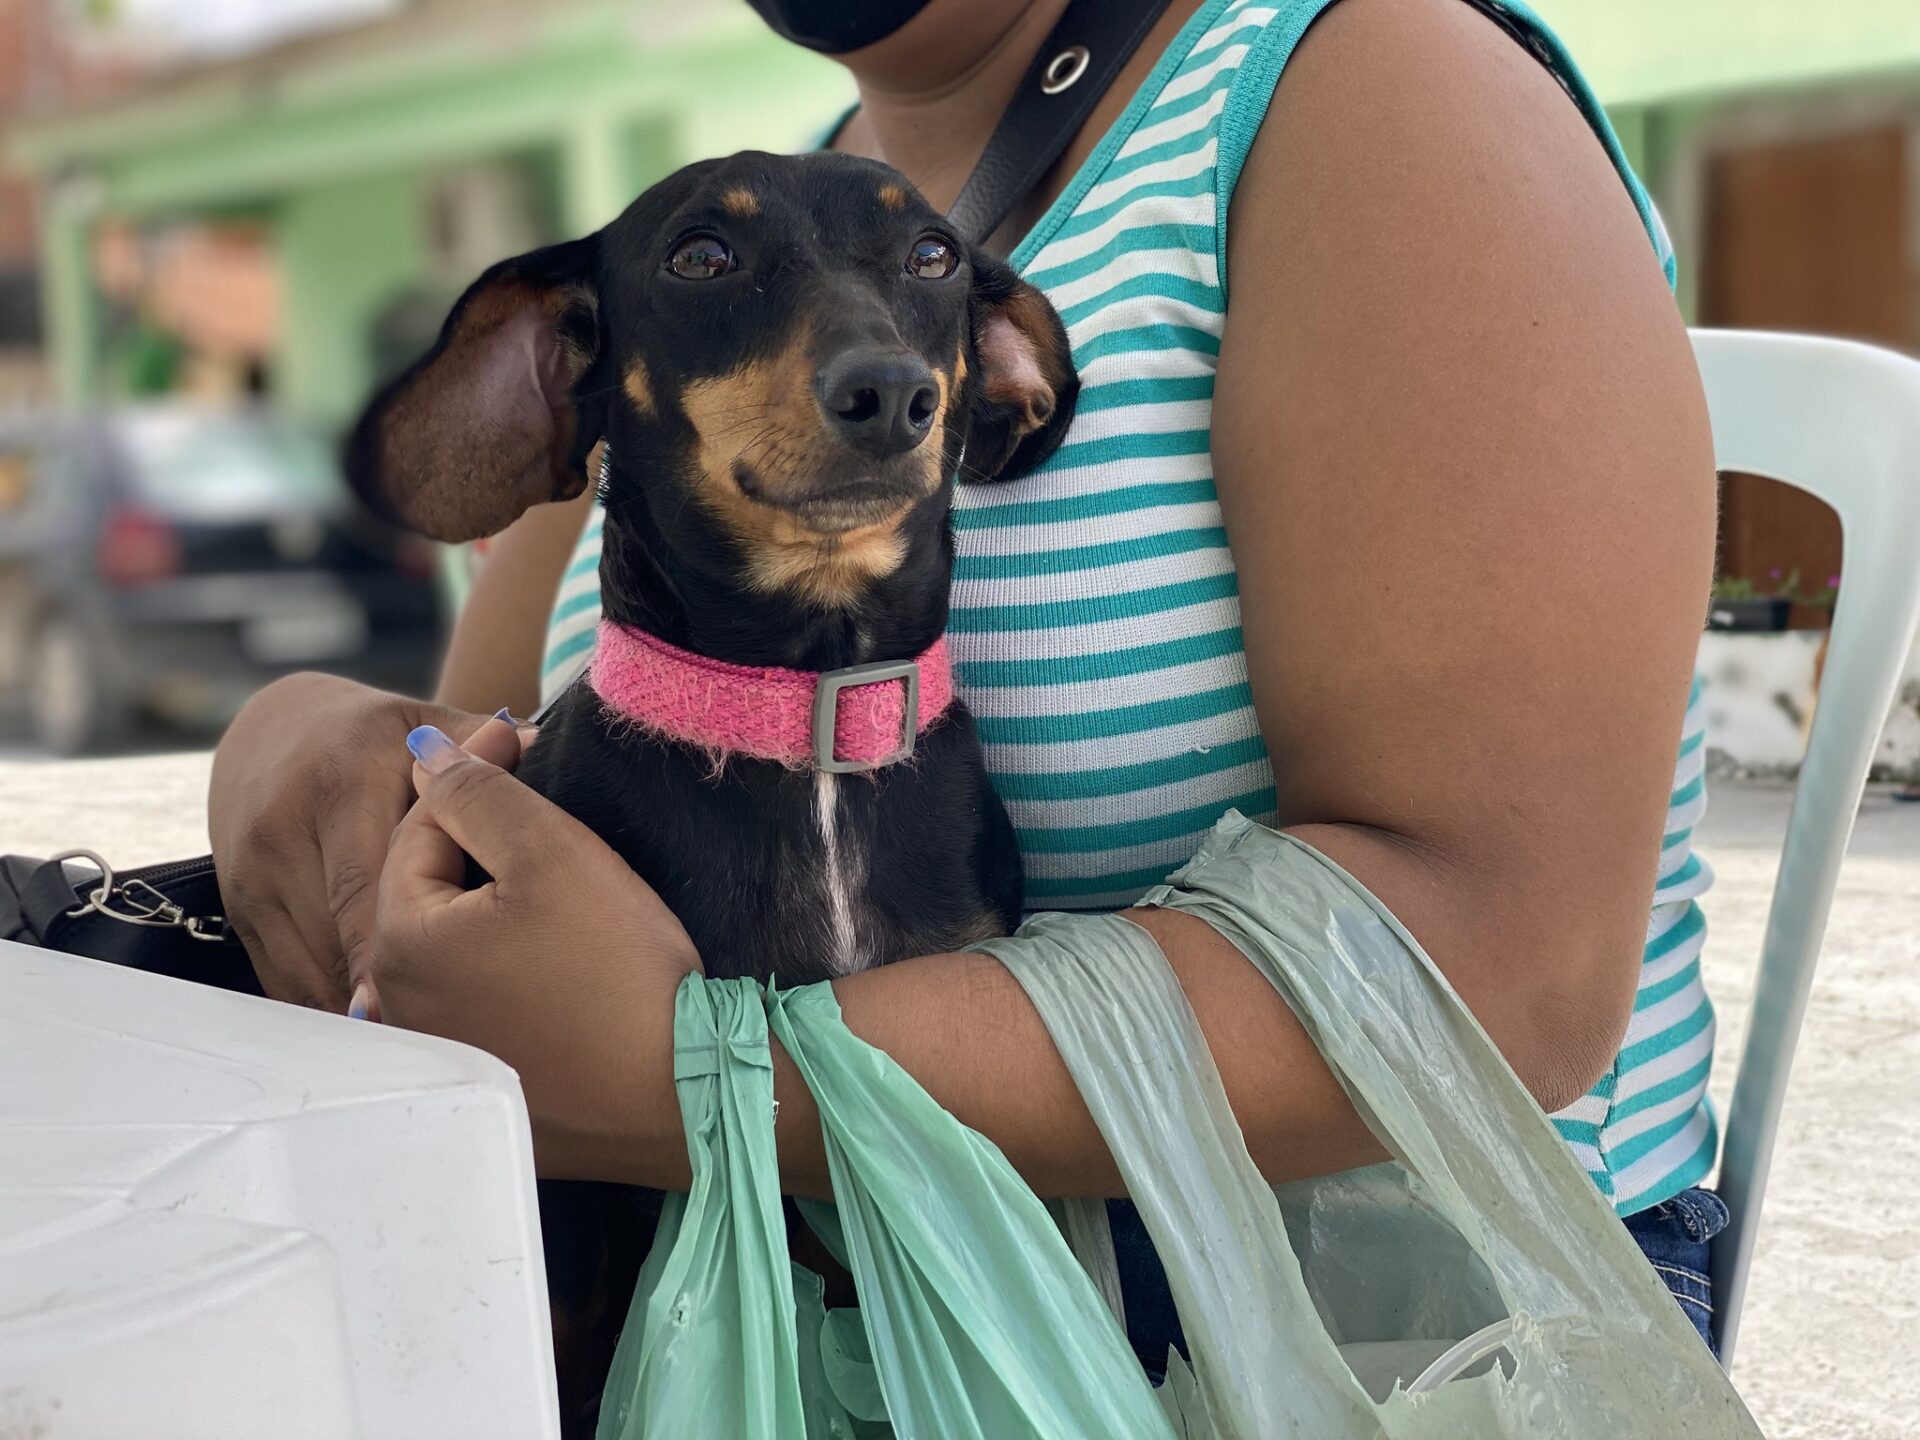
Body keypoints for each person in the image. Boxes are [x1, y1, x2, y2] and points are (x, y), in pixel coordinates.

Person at [209, 0, 1727, 1363]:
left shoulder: (1378, 88)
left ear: (1004, 372)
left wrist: (711, 1087)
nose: (882, 368)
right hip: (721, 1297)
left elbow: (1505, 972)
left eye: (921, 286)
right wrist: (303, 745)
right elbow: (474, 750)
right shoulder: (724, 249)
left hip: (1330, 1326)